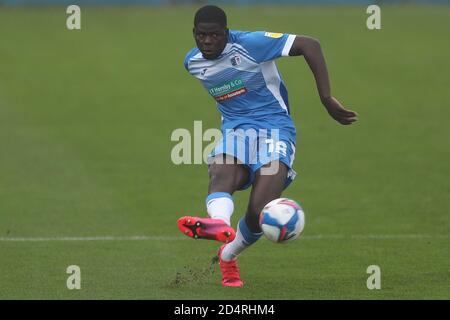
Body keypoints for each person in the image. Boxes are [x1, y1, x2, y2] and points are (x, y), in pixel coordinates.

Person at [177, 5, 357, 287]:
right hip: (236, 129)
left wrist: (326, 98)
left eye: (214, 35)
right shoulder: (193, 63)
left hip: (275, 128)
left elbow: (310, 44)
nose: (208, 41)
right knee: (222, 172)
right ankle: (219, 225)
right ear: (194, 35)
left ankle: (228, 253)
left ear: (226, 32)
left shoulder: (252, 44)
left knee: (259, 208)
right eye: (201, 36)